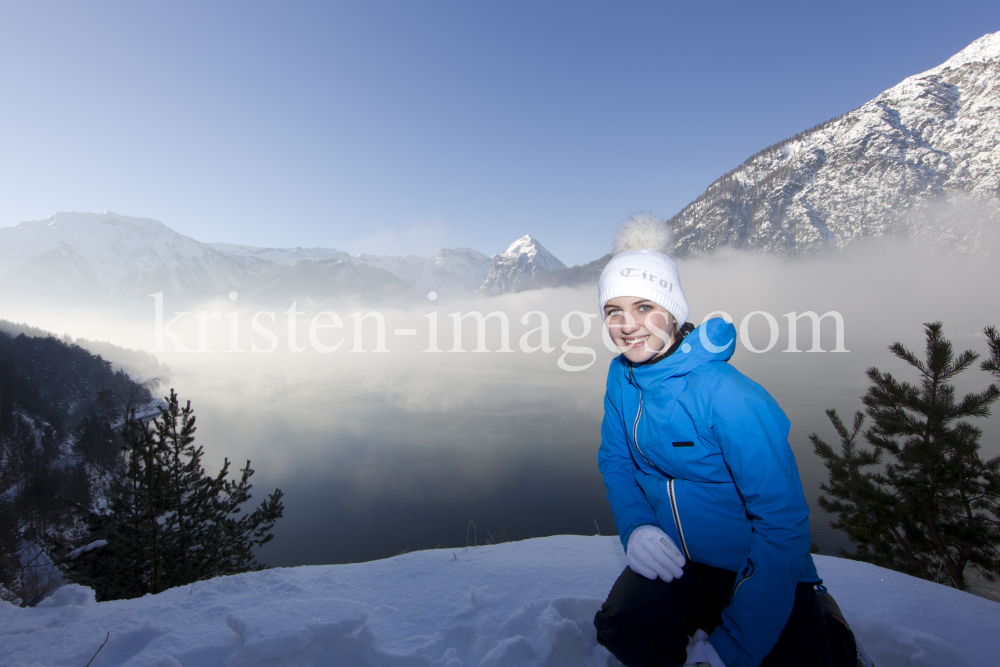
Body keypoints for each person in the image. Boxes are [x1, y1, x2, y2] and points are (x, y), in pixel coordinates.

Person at [592, 214, 832, 667]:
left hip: (755, 563)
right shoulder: (621, 377)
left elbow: (782, 526)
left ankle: (824, 622)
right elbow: (617, 461)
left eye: (644, 307)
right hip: (680, 561)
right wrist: (637, 526)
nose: (627, 326)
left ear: (673, 311)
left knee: (799, 658)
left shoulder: (730, 396)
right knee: (623, 628)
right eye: (614, 311)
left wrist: (730, 649)